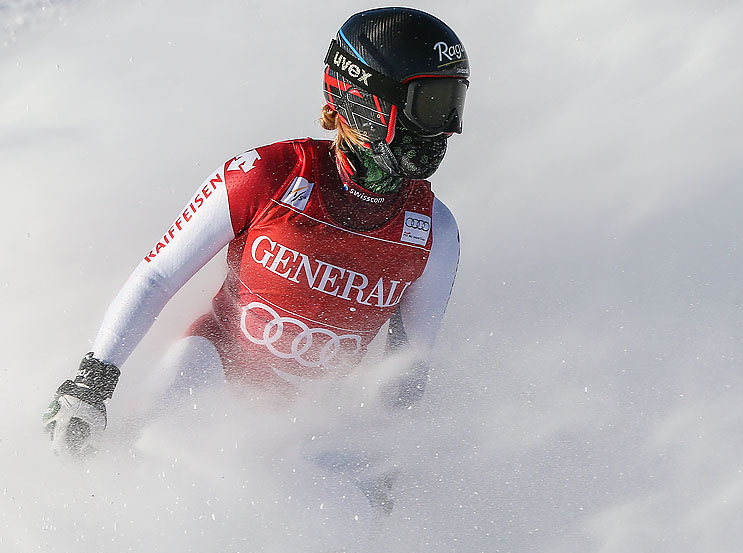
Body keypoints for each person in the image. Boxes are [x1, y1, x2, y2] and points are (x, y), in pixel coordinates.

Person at [42, 7, 470, 459]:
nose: (446, 129)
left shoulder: (436, 230)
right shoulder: (269, 174)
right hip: (210, 367)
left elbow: (407, 365)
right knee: (146, 456)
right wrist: (91, 383)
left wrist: (386, 462)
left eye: (453, 105)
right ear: (364, 99)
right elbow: (157, 275)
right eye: (430, 105)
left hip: (311, 420)